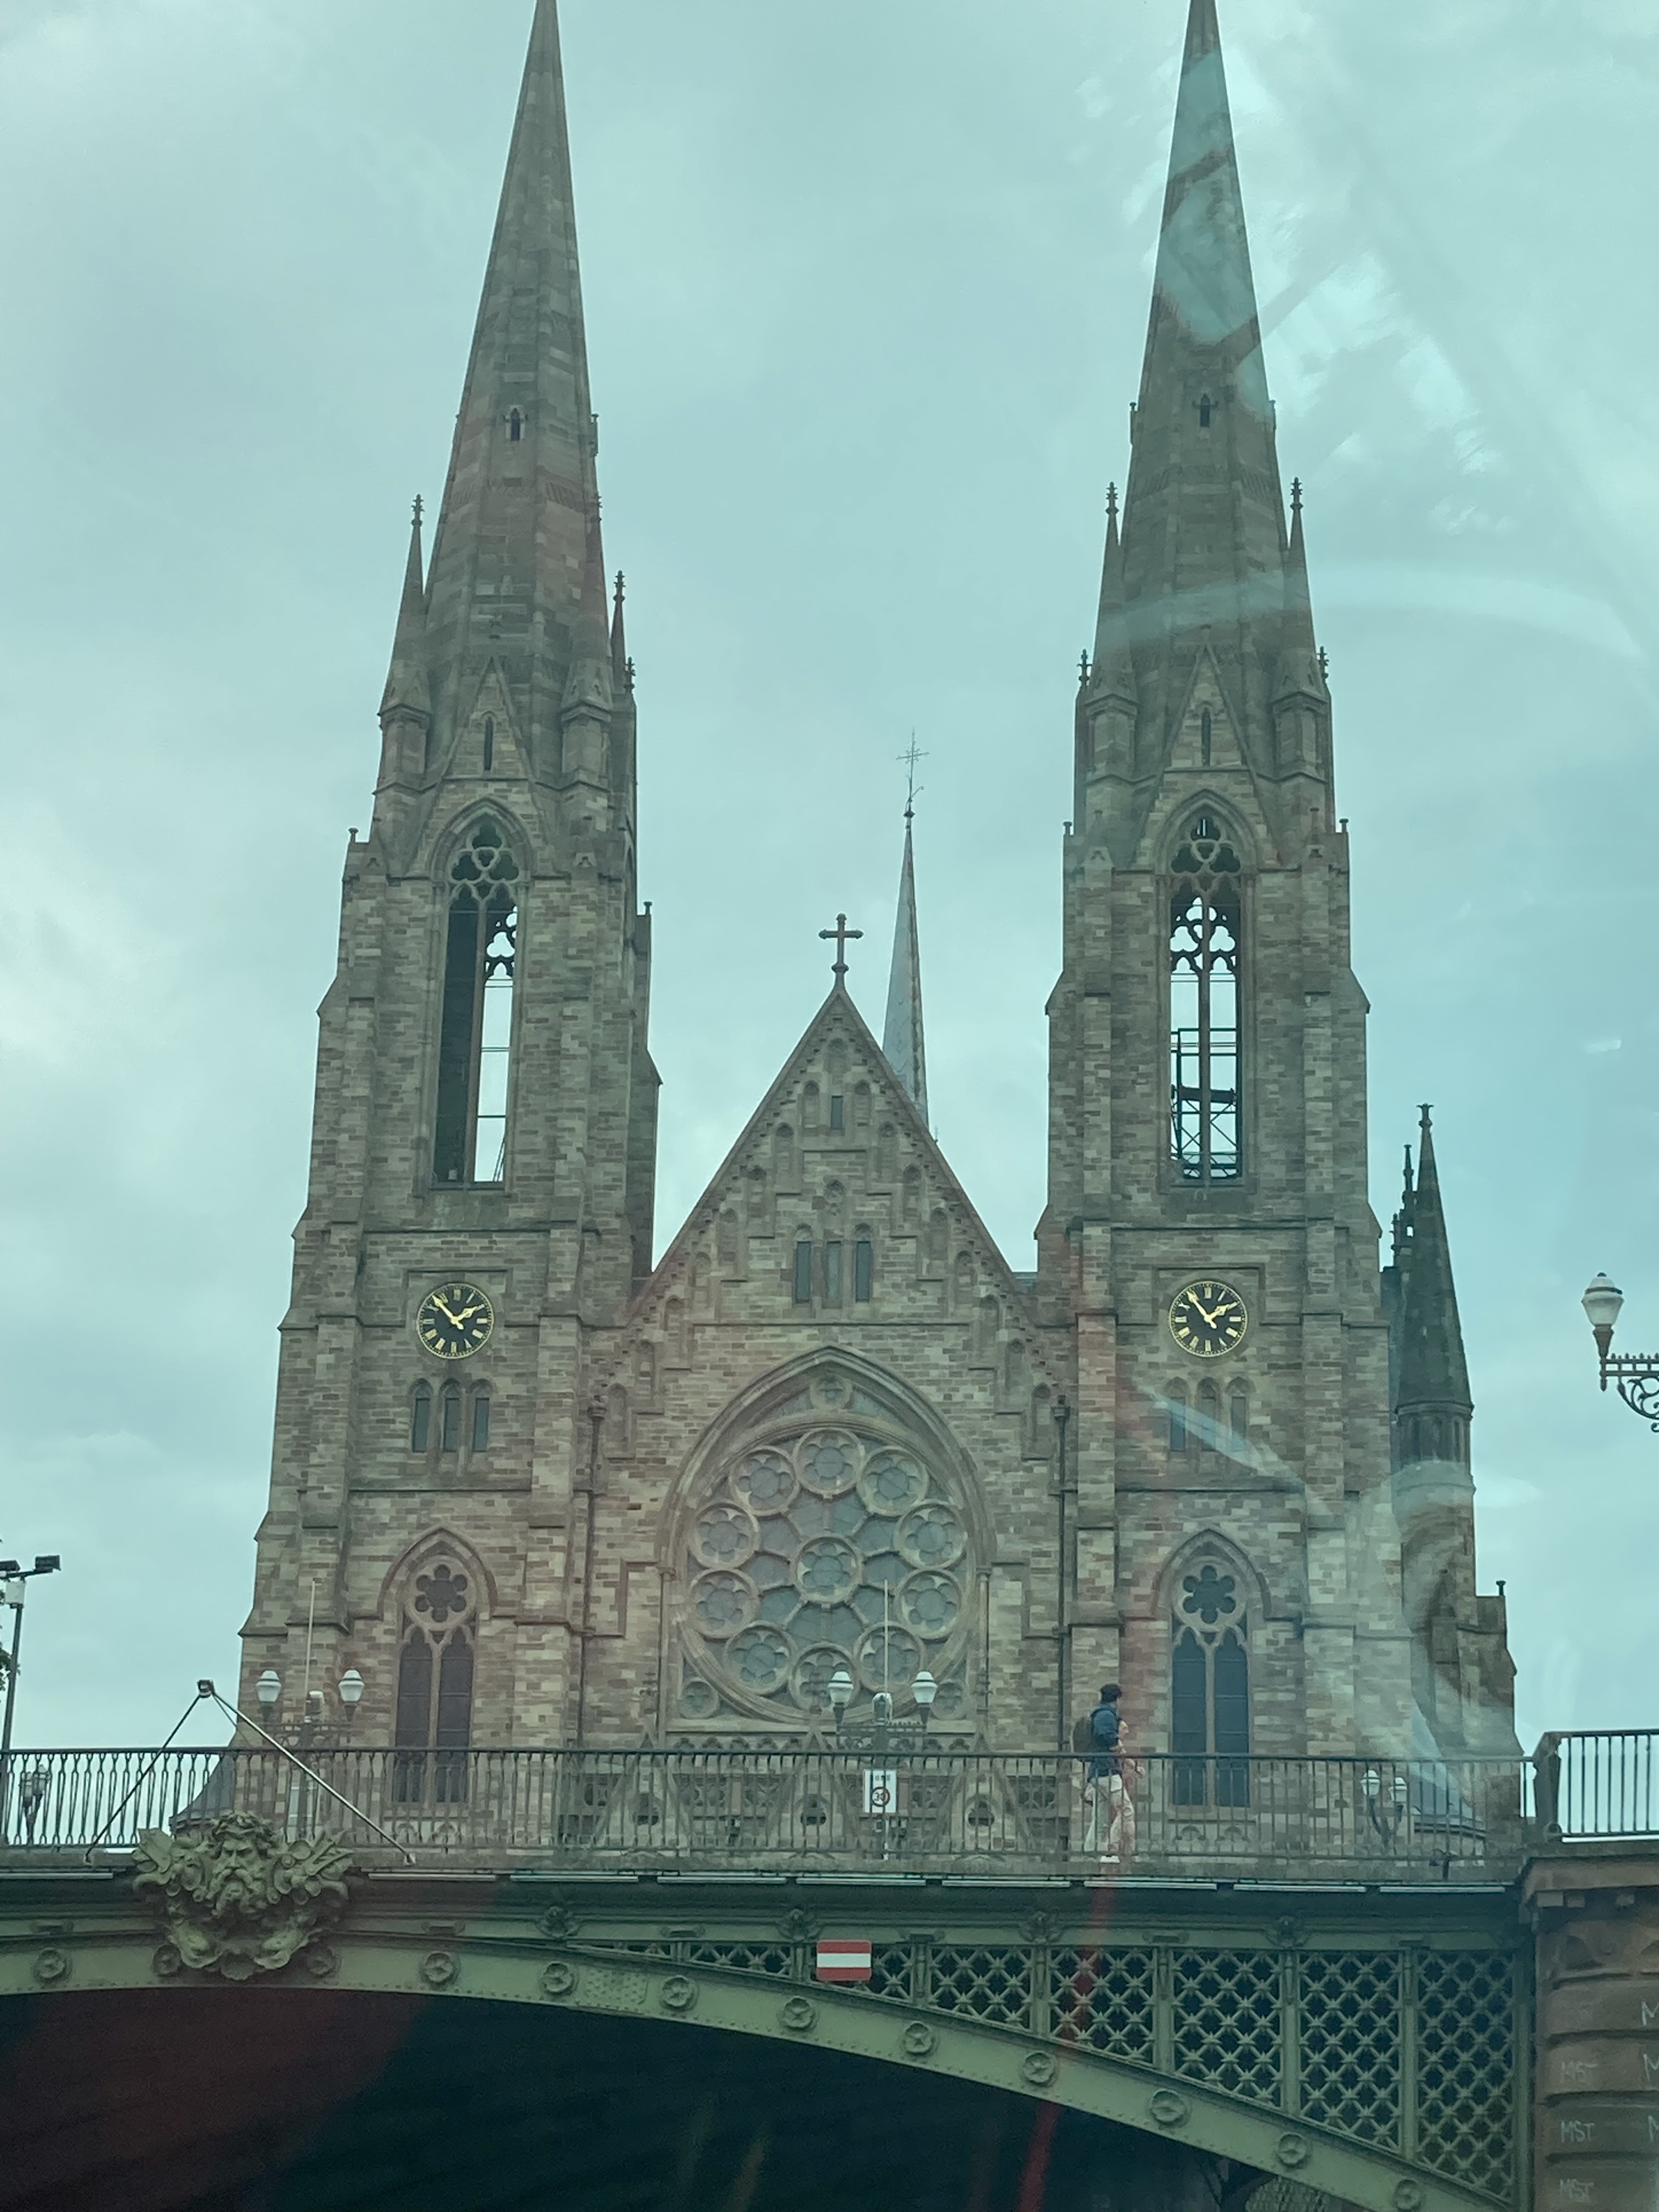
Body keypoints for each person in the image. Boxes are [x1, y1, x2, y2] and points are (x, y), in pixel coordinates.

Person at [1077, 1683, 1131, 1863]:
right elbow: (1110, 1740)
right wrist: (1117, 1745)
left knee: (1100, 1818)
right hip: (1107, 1771)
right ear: (1117, 1699)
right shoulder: (1105, 1715)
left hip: (1099, 1772)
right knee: (1126, 1810)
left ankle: (1090, 1852)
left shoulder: (1101, 1713)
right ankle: (1111, 1850)